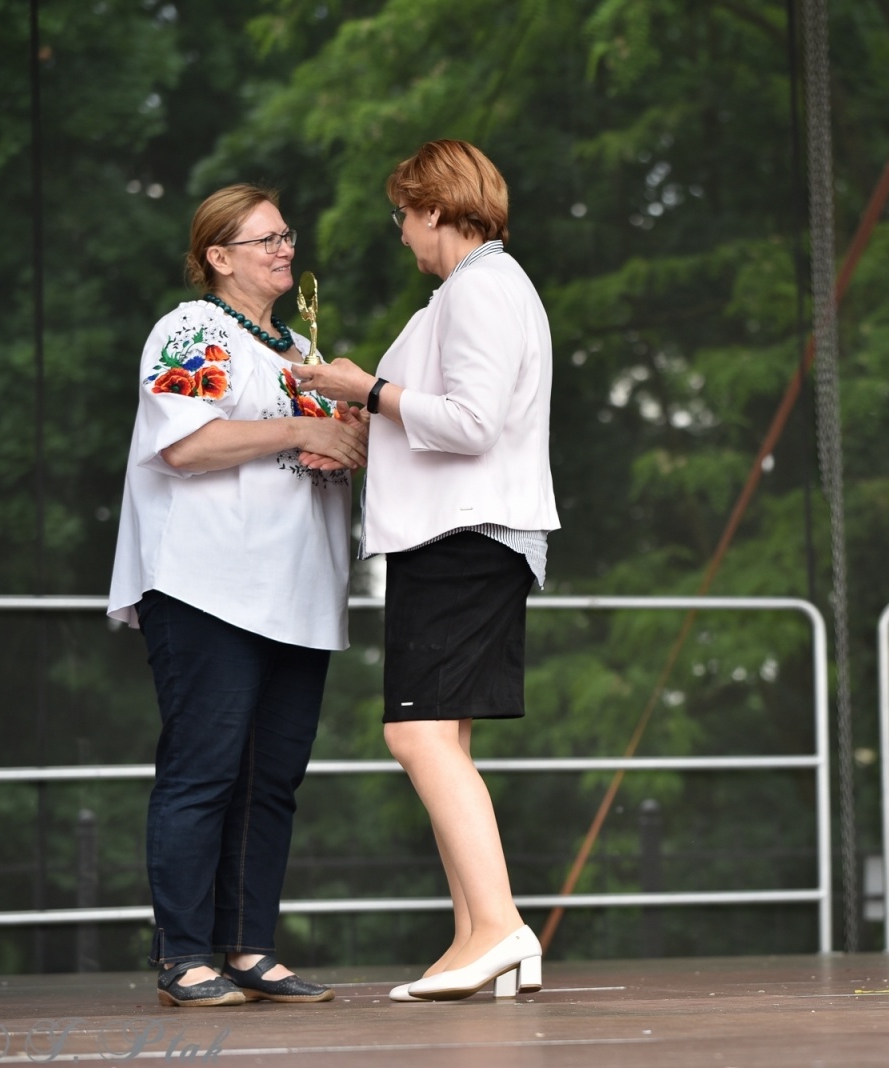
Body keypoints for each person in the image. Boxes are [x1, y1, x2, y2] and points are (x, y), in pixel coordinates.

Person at [294, 139, 558, 1002]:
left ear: (437, 209)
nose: (402, 232)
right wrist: (367, 428)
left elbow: (473, 423)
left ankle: (501, 925)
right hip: (463, 535)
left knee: (416, 736)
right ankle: (478, 935)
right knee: (443, 740)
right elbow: (452, 422)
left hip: (463, 539)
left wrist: (365, 390)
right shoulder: (475, 291)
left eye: (404, 215)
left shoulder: (481, 288)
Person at [108, 184, 368, 1006]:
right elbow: (185, 445)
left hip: (297, 590)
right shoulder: (195, 329)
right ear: (218, 257)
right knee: (204, 772)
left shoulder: (302, 348)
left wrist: (347, 439)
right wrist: (303, 429)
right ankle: (184, 955)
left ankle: (250, 948)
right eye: (266, 239)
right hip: (208, 584)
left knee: (272, 780)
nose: (285, 248)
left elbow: (315, 449)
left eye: (287, 235)